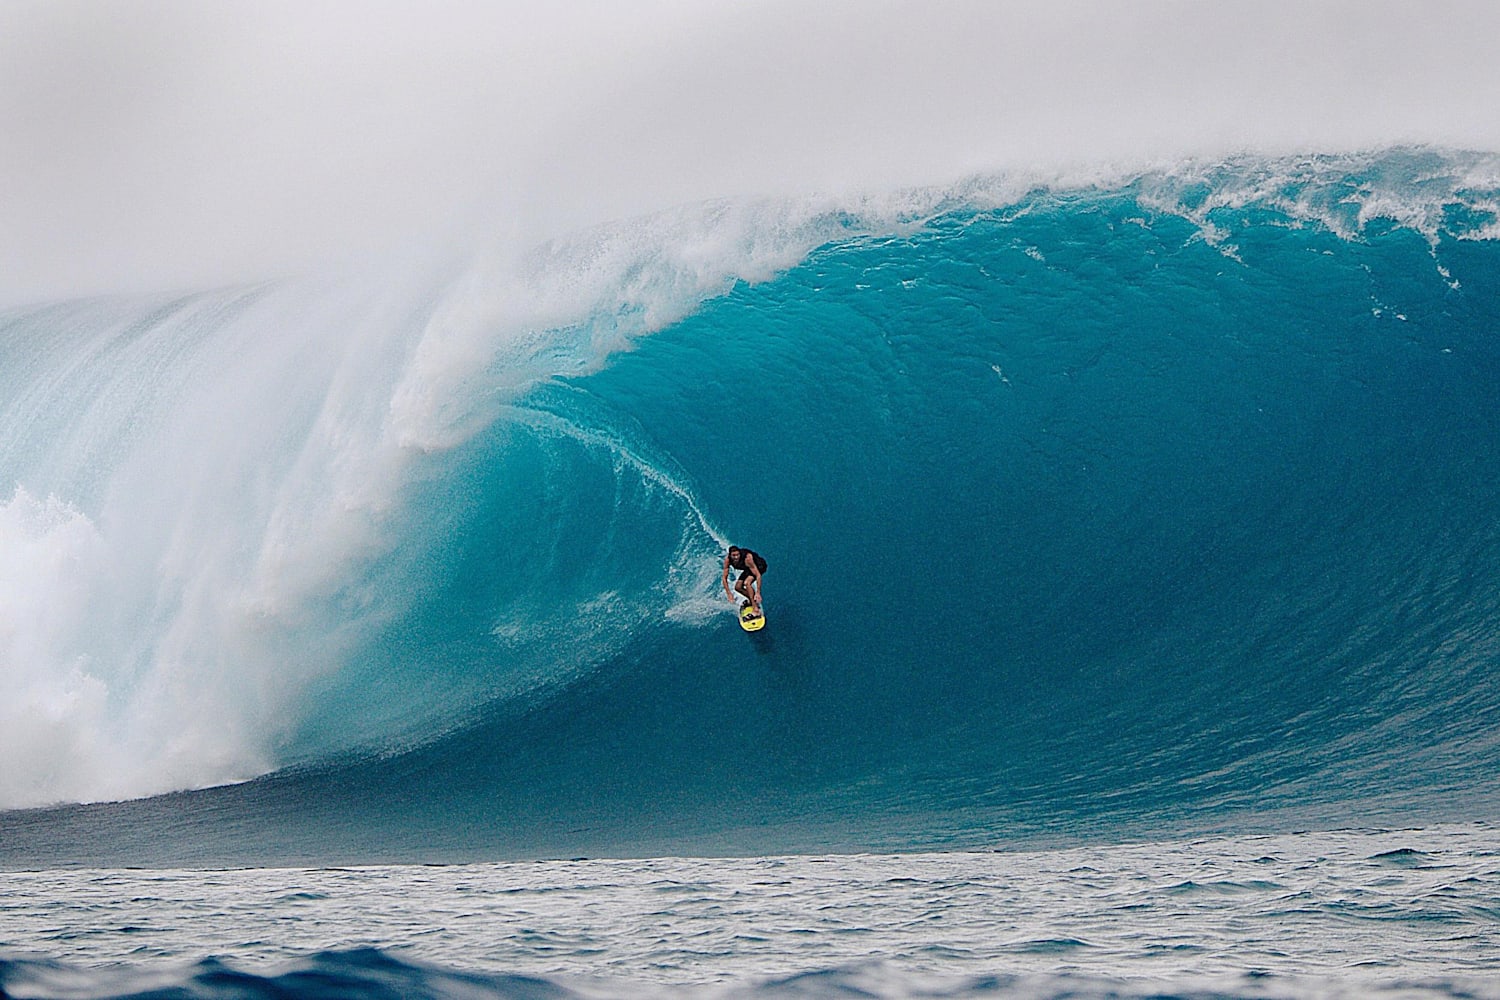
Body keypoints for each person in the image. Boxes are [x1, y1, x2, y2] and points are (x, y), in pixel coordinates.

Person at [722, 545, 767, 613]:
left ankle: (755, 608)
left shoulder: (747, 558)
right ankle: (751, 599)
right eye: (733, 555)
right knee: (738, 587)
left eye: (737, 555)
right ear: (730, 555)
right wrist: (729, 594)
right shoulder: (727, 560)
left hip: (759, 567)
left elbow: (758, 575)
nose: (736, 557)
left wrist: (758, 592)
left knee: (747, 583)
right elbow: (724, 578)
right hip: (748, 569)